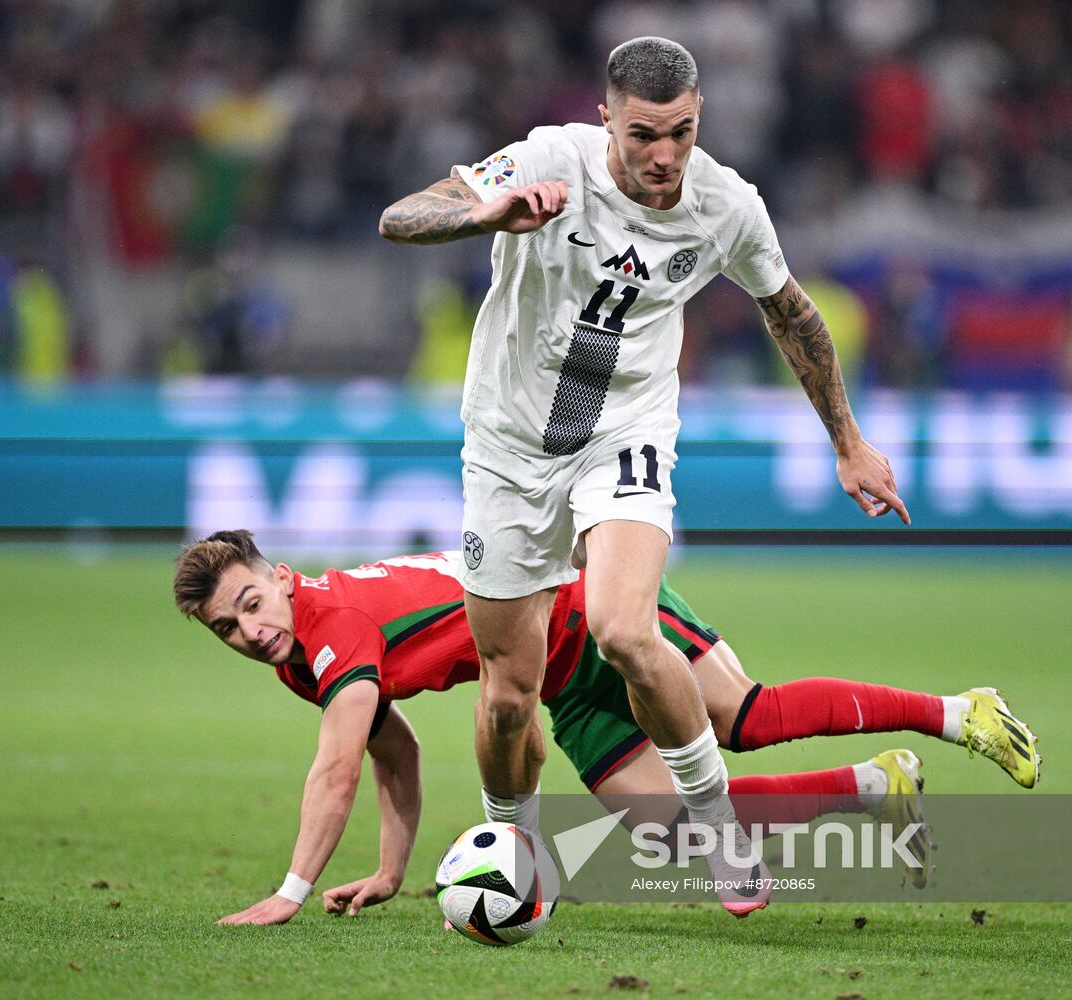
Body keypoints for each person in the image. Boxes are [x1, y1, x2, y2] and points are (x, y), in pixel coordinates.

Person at [378, 36, 911, 916]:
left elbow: (791, 313)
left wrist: (846, 440)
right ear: (605, 121)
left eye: (682, 133)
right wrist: (487, 213)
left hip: (623, 432)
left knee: (623, 628)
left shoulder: (727, 204)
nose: (664, 156)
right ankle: (507, 841)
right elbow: (401, 216)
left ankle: (716, 832)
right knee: (508, 692)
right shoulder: (548, 158)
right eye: (642, 135)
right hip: (507, 451)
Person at [171, 530, 1040, 925]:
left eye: (251, 603)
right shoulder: (297, 652)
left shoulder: (333, 634)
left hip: (596, 612)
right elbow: (391, 748)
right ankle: (872, 786)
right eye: (228, 628)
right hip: (555, 678)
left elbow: (337, 772)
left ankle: (960, 713)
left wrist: (288, 893)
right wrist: (391, 872)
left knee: (745, 717)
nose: (249, 629)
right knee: (663, 828)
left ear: (280, 577)